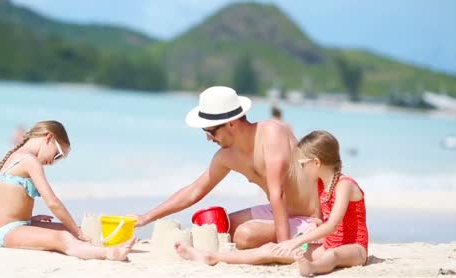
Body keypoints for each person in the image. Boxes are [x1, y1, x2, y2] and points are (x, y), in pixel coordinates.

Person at [135, 86, 320, 250]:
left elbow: (278, 193)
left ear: (231, 123)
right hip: (279, 211)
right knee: (220, 227)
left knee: (244, 235)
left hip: (311, 216)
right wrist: (145, 218)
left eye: (211, 131)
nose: (208, 138)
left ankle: (304, 235)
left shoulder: (272, 133)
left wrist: (283, 247)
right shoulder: (227, 156)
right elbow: (194, 190)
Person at [175, 130, 369, 277]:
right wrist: (312, 224)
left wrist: (297, 241)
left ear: (316, 163)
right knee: (270, 250)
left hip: (355, 249)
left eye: (303, 164)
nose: (300, 169)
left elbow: (333, 224)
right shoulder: (321, 184)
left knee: (333, 257)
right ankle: (212, 257)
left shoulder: (345, 186)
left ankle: (311, 269)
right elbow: (323, 217)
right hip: (327, 246)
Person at [0, 120, 135, 260]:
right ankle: (109, 253)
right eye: (58, 155)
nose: (53, 162)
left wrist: (26, 217)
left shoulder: (12, 157)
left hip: (17, 226)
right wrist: (77, 232)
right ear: (49, 138)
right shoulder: (30, 161)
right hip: (9, 233)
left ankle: (104, 244)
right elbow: (53, 203)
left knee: (72, 229)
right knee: (64, 236)